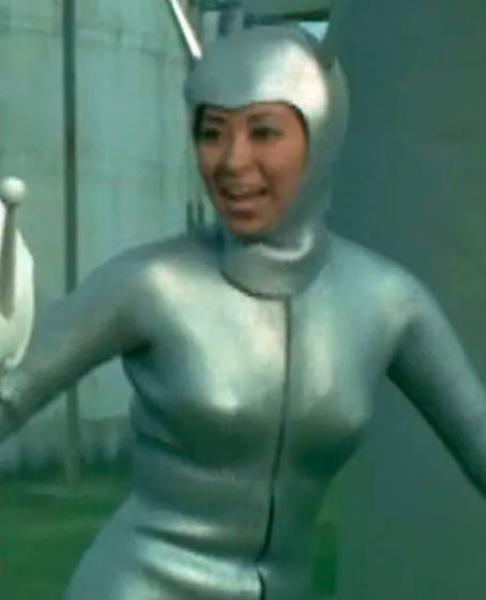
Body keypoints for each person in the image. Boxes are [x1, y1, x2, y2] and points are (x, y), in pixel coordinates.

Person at [1, 25, 486, 600]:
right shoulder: (151, 285)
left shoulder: (387, 302)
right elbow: (10, 396)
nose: (232, 161)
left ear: (321, 135)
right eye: (212, 132)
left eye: (264, 131)